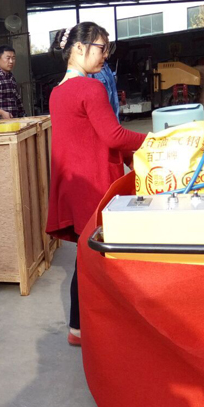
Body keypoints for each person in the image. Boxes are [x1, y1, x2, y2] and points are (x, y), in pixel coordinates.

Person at [46, 23, 146, 347]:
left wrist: (131, 159)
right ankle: (113, 326)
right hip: (96, 188)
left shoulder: (57, 93)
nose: (105, 55)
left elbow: (93, 137)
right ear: (79, 48)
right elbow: (113, 135)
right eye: (102, 48)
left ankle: (78, 328)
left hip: (73, 190)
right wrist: (154, 139)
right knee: (108, 259)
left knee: (86, 259)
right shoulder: (90, 89)